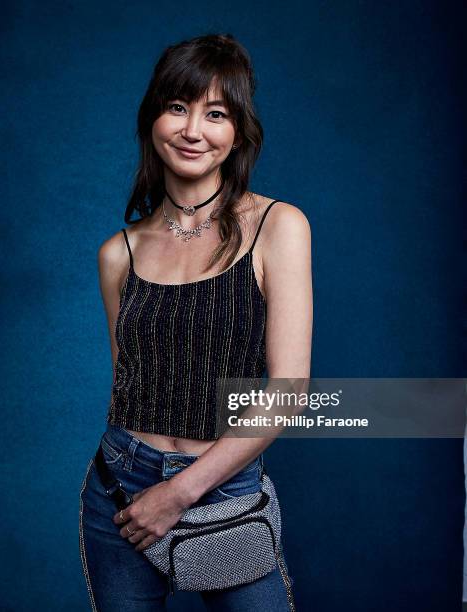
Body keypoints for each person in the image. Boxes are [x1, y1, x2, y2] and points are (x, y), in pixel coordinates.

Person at [79, 33, 312, 612]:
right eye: (177, 107)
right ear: (153, 117)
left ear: (237, 132)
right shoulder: (119, 253)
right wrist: (148, 492)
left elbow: (289, 394)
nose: (192, 131)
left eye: (215, 114)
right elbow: (128, 386)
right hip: (121, 491)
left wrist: (178, 492)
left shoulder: (277, 227)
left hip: (224, 490)